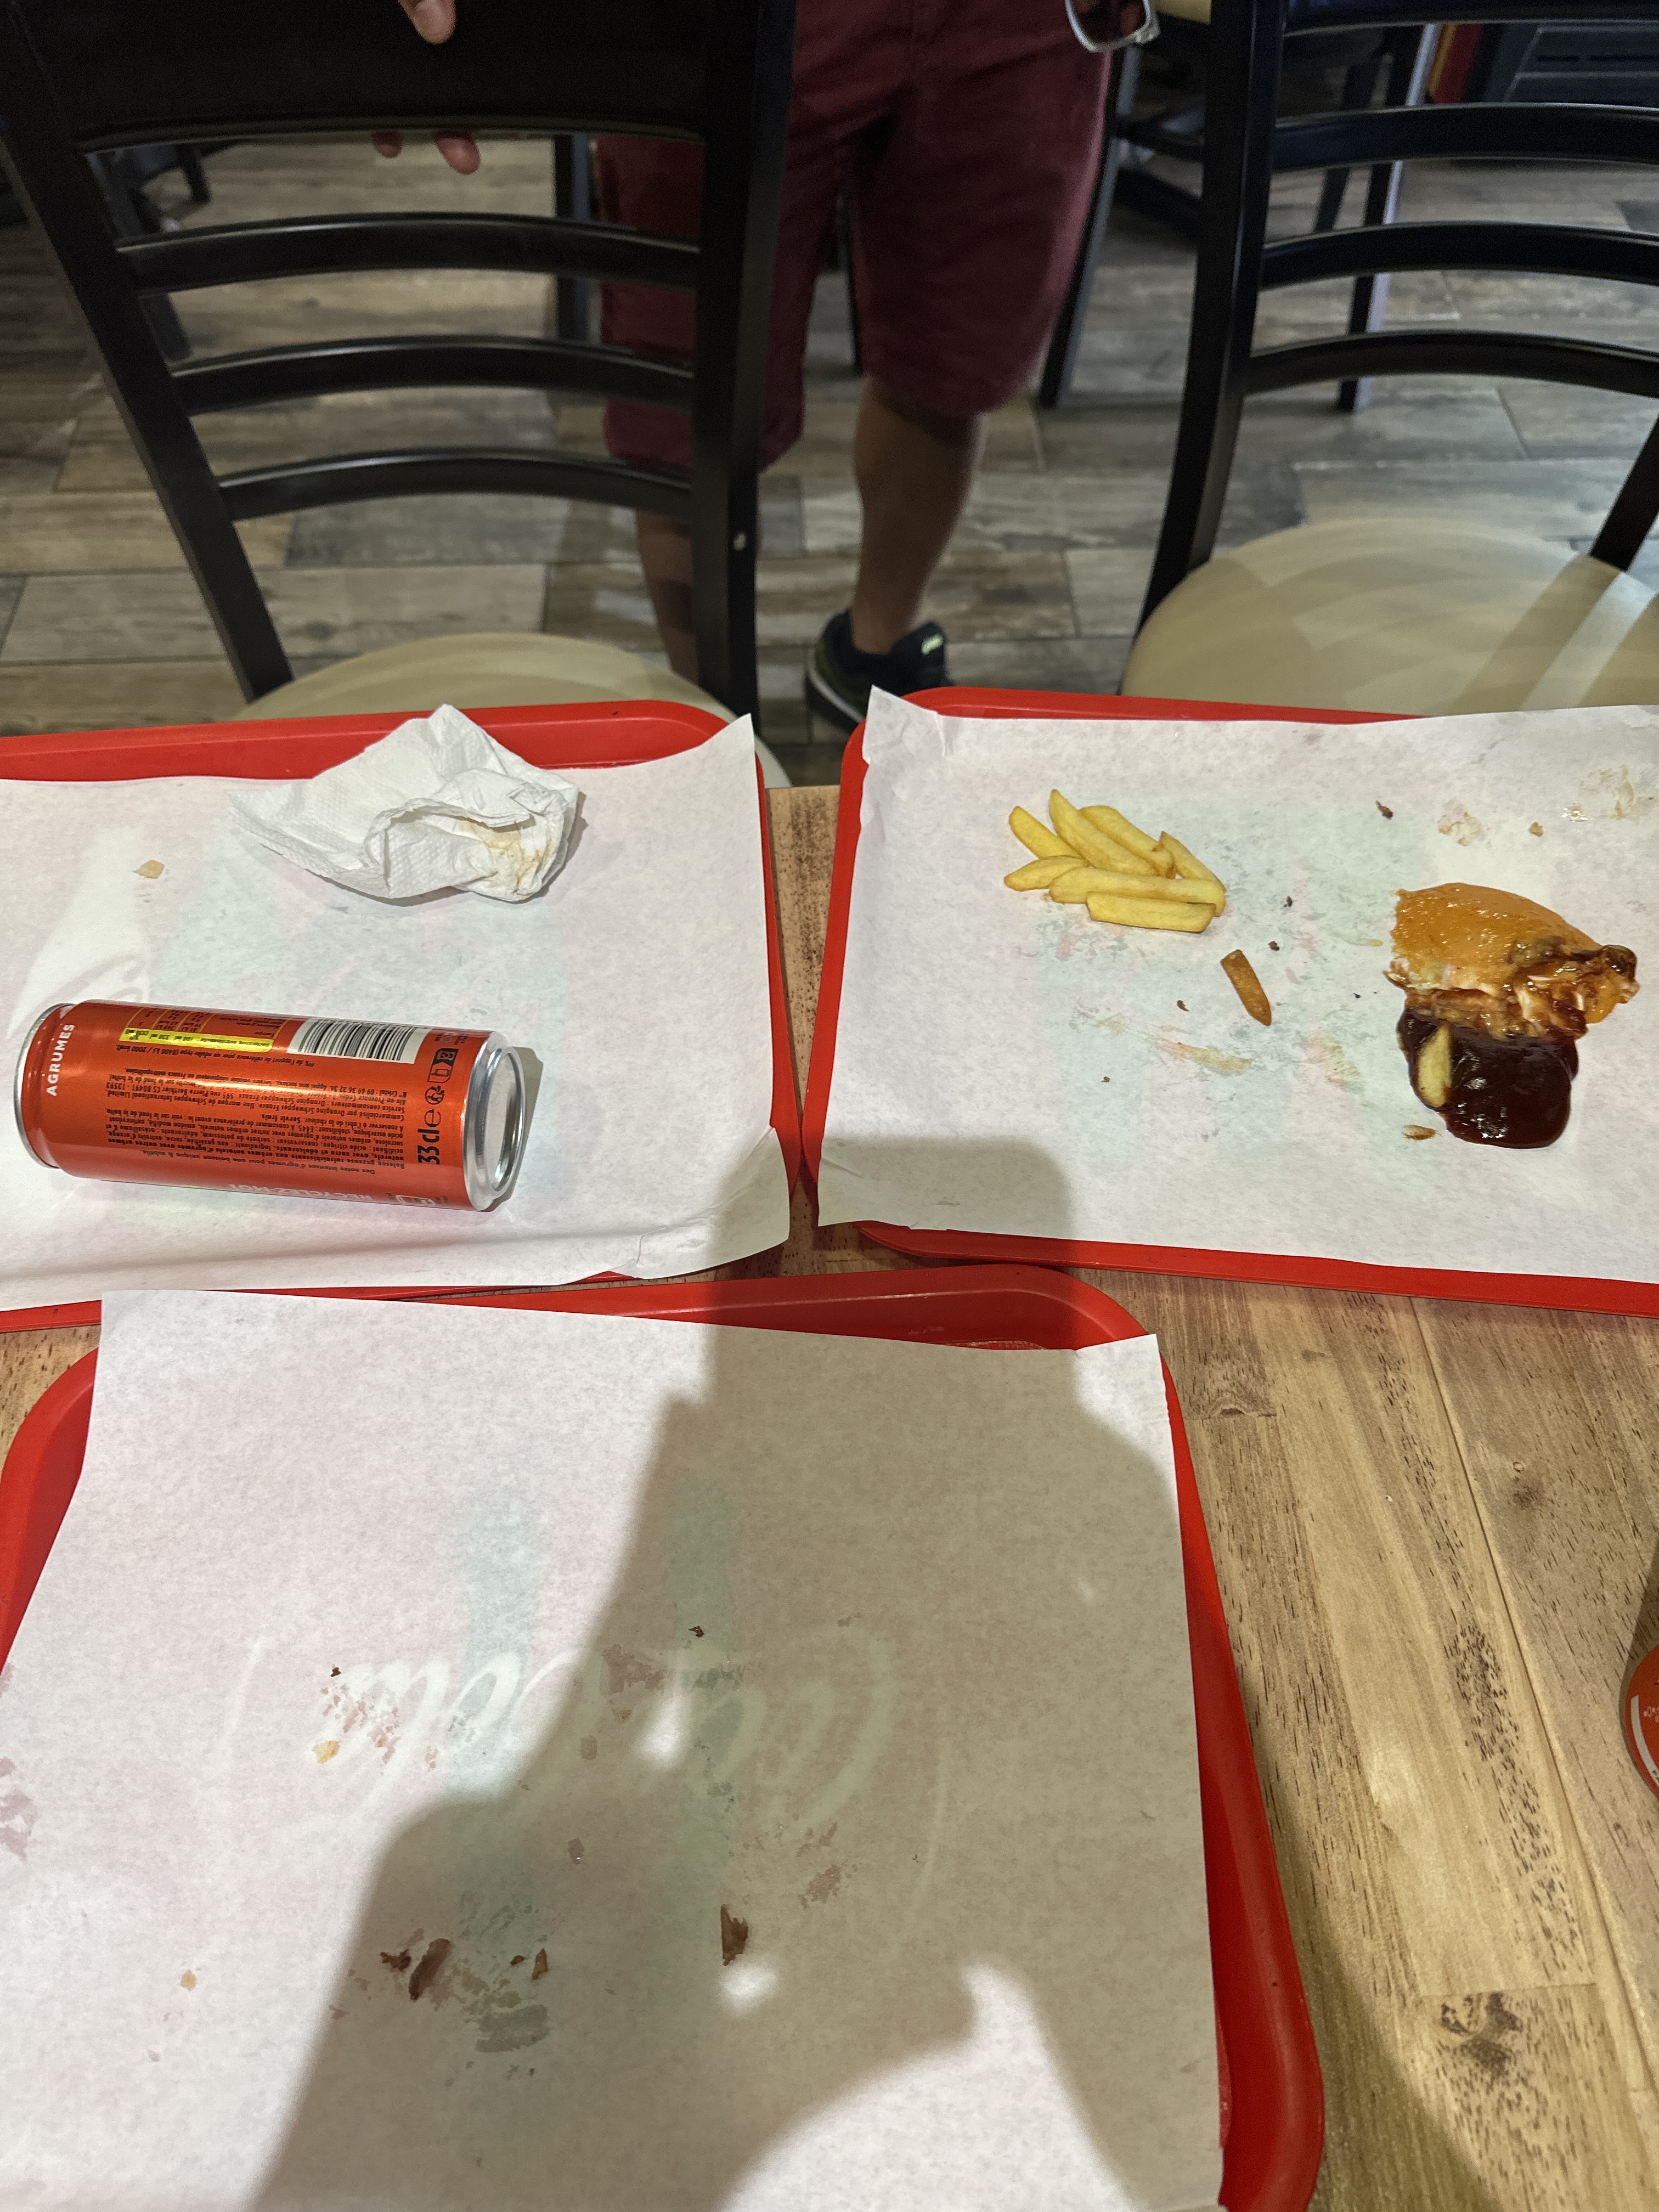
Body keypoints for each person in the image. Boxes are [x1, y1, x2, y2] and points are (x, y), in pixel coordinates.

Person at [382, 0, 1152, 735]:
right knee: (684, 408)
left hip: (1021, 21)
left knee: (953, 359)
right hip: (708, 19)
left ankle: (875, 652)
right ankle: (716, 713)